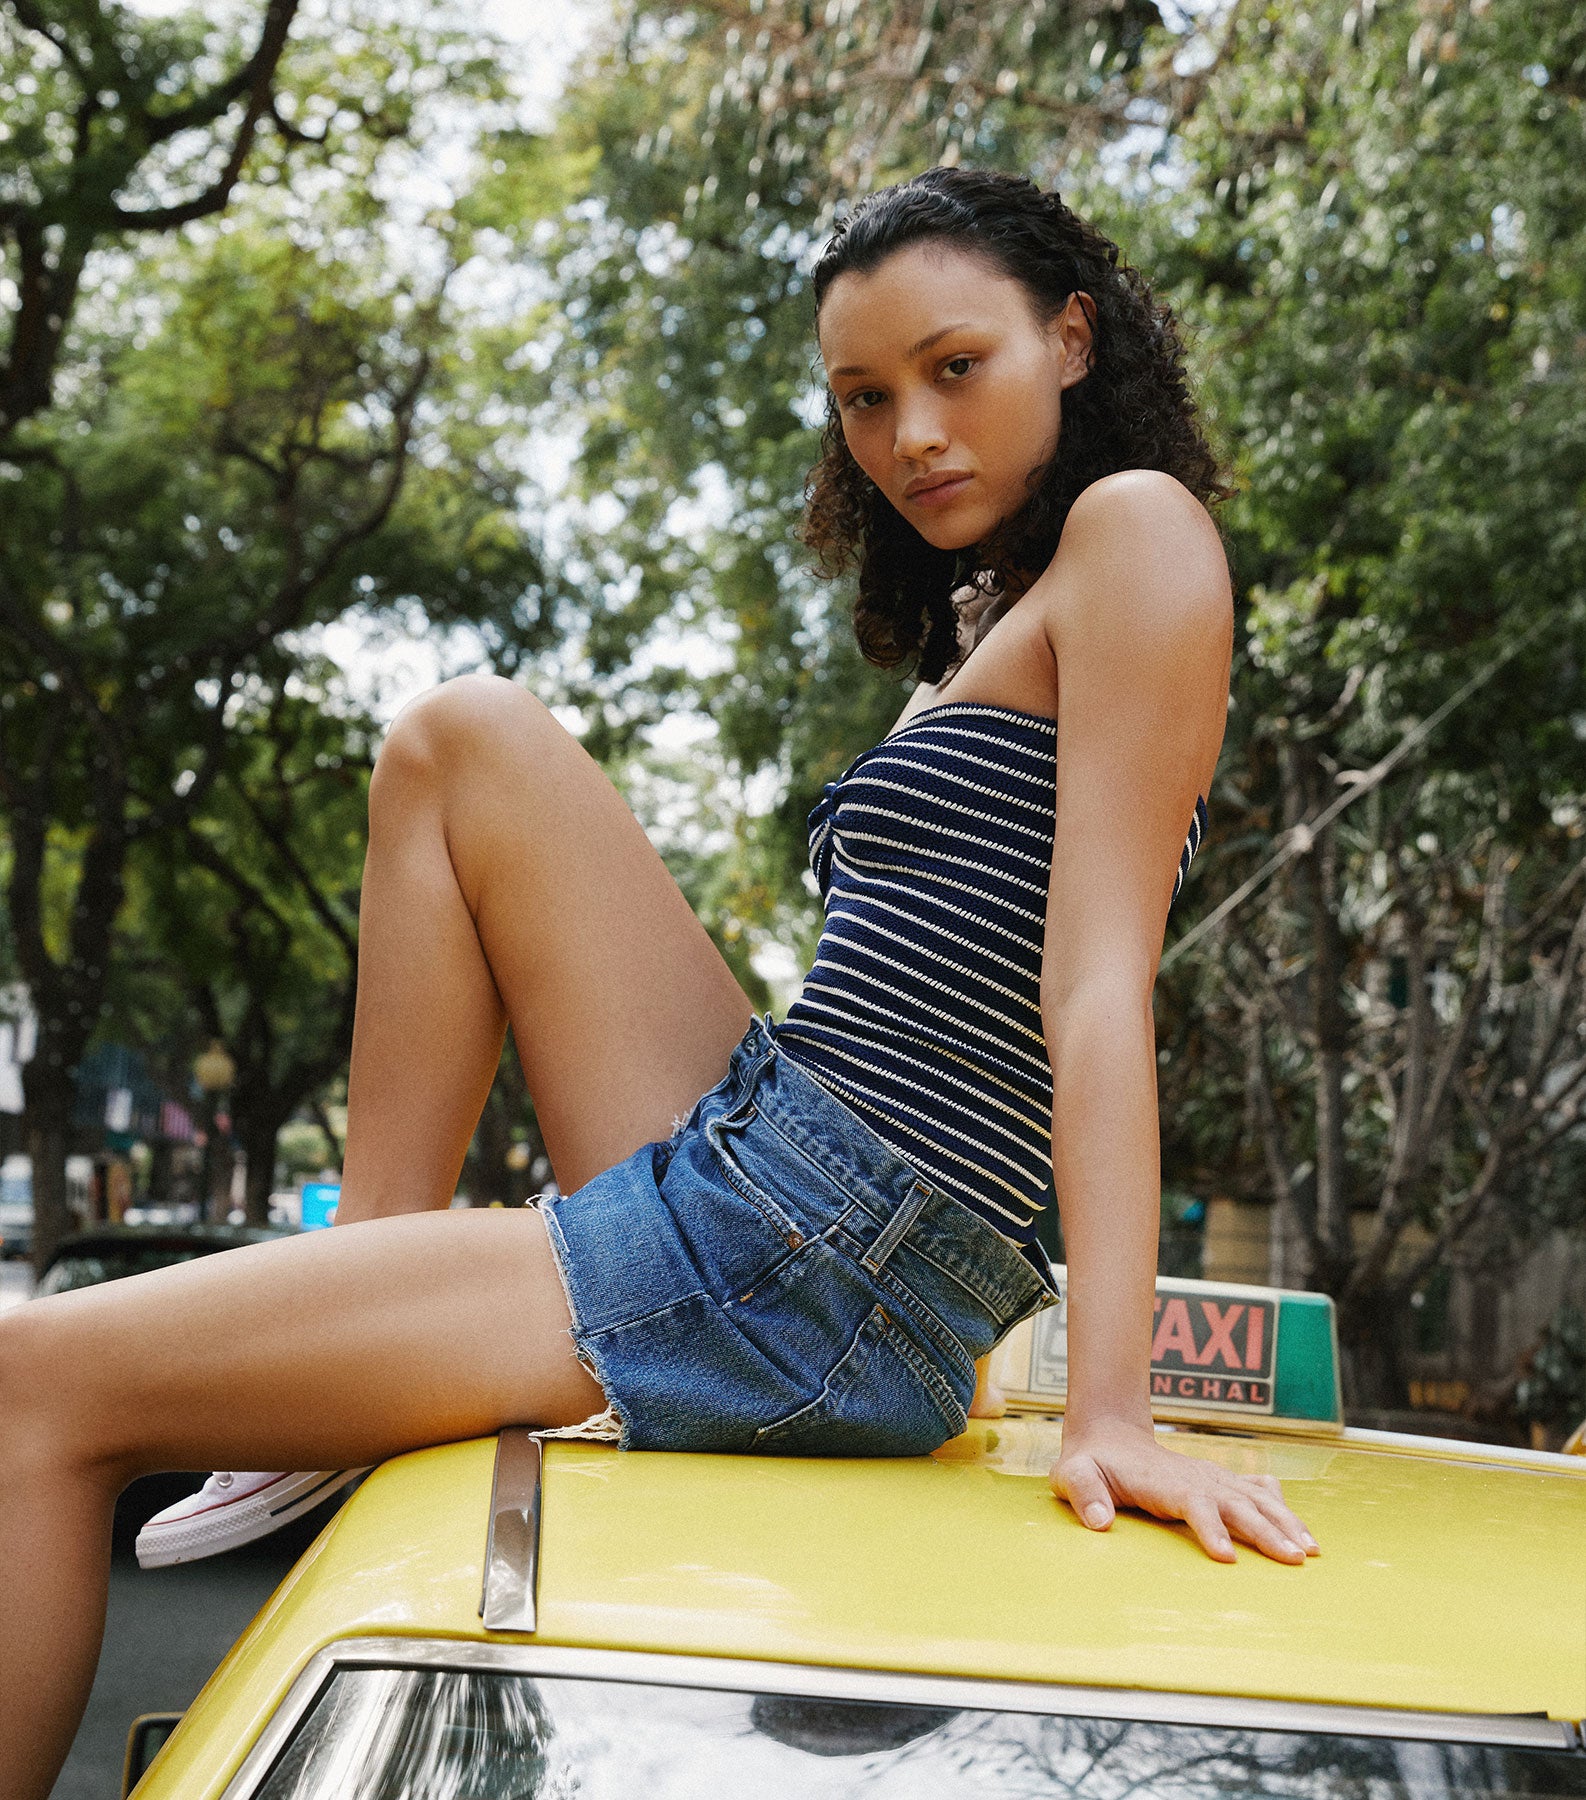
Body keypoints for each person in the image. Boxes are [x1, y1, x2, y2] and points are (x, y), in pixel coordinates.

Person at [0, 164, 1316, 1800]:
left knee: (28, 1385)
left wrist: (1109, 1407)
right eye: (863, 398)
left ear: (1069, 337)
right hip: (786, 1169)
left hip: (825, 1250)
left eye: (952, 368)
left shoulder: (1138, 533)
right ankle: (335, 1369)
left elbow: (1098, 986)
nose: (909, 432)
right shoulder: (999, 615)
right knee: (458, 741)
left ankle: (326, 1365)